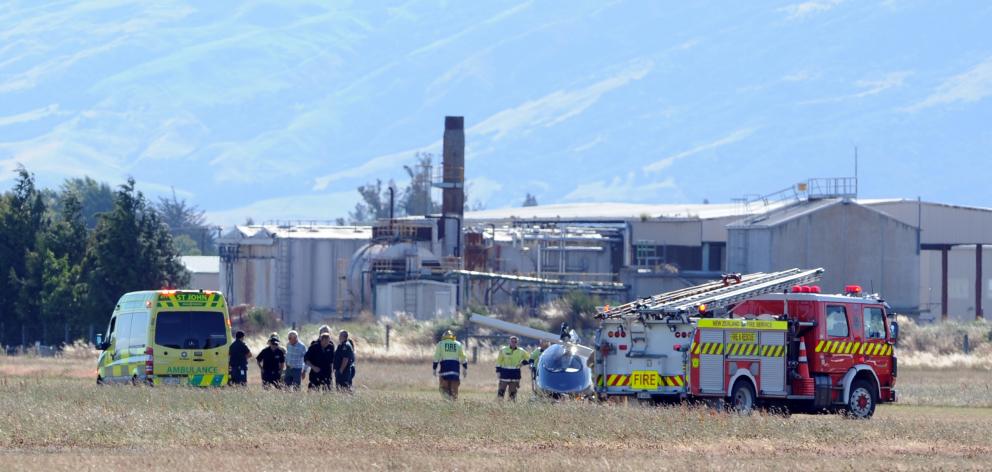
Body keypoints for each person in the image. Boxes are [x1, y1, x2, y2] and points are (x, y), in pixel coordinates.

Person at [432, 330, 468, 400]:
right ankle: (453, 405)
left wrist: (434, 369)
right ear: (452, 337)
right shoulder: (458, 344)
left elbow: (436, 358)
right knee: (454, 394)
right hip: (455, 371)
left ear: (444, 337)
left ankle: (447, 403)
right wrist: (465, 369)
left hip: (444, 371)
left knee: (443, 390)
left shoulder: (440, 344)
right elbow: (464, 358)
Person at [495, 336, 529, 401]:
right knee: (501, 389)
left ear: (517, 342)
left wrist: (522, 363)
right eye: (512, 341)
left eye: (515, 342)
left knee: (513, 391)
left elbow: (529, 358)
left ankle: (511, 405)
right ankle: (499, 404)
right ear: (509, 342)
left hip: (515, 373)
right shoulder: (503, 350)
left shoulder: (521, 351)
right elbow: (499, 361)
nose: (513, 343)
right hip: (505, 373)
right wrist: (498, 371)